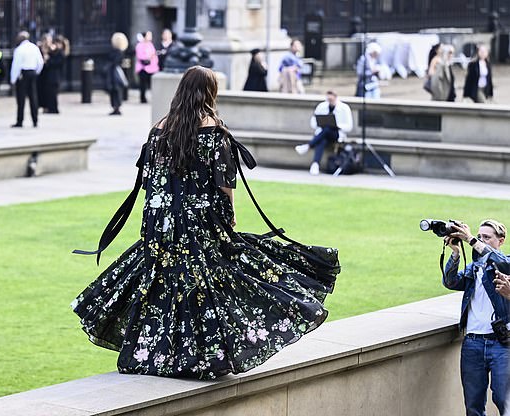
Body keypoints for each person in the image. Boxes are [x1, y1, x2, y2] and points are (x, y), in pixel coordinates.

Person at [71, 65, 341, 380]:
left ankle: (157, 357)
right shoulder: (215, 132)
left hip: (163, 228)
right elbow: (225, 185)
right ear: (209, 93)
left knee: (164, 288)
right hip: (200, 225)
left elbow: (151, 183)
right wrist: (230, 217)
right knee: (216, 285)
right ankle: (207, 357)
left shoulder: (159, 129)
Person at [443, 219, 509, 416]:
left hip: (502, 344)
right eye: (480, 237)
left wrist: (471, 239)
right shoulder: (474, 268)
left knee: (504, 401)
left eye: (487, 237)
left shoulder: (505, 263)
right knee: (473, 405)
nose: (481, 241)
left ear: (501, 241)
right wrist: (455, 253)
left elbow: (501, 263)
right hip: (472, 344)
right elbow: (451, 281)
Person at [295, 91, 353, 176]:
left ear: (335, 97)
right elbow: (313, 122)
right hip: (323, 134)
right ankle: (315, 164)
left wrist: (337, 126)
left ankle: (308, 146)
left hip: (337, 134)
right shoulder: (321, 106)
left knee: (328, 128)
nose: (330, 101)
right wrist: (320, 124)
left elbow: (349, 126)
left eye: (331, 99)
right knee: (323, 138)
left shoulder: (344, 108)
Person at [10, 31, 44, 128]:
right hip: (32, 72)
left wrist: (13, 79)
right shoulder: (34, 47)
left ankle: (20, 121)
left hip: (23, 74)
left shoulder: (19, 49)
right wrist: (37, 72)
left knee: (21, 99)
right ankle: (35, 120)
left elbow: (16, 65)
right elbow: (40, 62)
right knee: (33, 97)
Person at [105, 32, 128, 116]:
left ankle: (117, 107)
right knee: (115, 90)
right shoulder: (118, 51)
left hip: (114, 72)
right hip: (114, 71)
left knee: (116, 89)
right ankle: (115, 107)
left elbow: (115, 62)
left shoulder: (118, 52)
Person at [135, 31, 159, 103]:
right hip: (143, 68)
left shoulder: (150, 45)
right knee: (143, 85)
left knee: (152, 84)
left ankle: (154, 98)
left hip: (152, 67)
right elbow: (140, 56)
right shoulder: (139, 45)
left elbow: (154, 55)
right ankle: (143, 98)